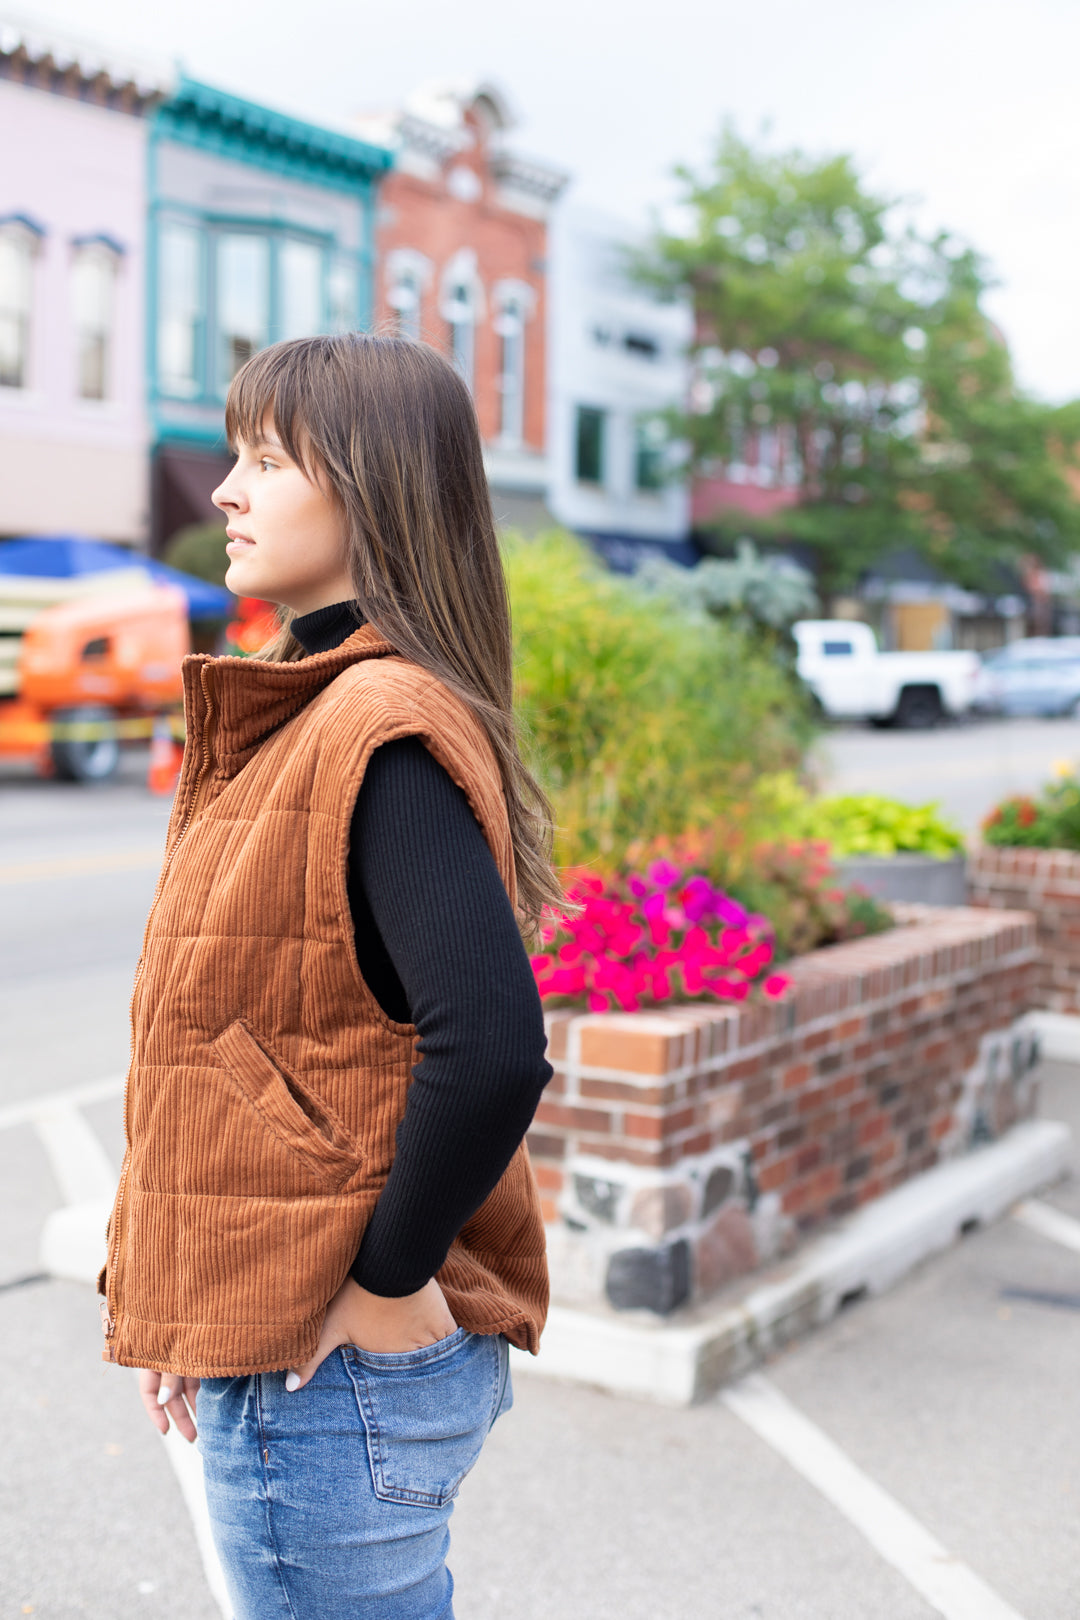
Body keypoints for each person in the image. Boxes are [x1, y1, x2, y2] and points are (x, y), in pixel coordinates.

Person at [97, 332, 563, 1619]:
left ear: (370, 485)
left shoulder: (376, 723)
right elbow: (274, 1045)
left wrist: (382, 1283)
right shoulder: (321, 710)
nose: (225, 493)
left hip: (330, 1362)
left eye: (264, 459)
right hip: (297, 1346)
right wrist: (192, 1301)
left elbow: (492, 1047)